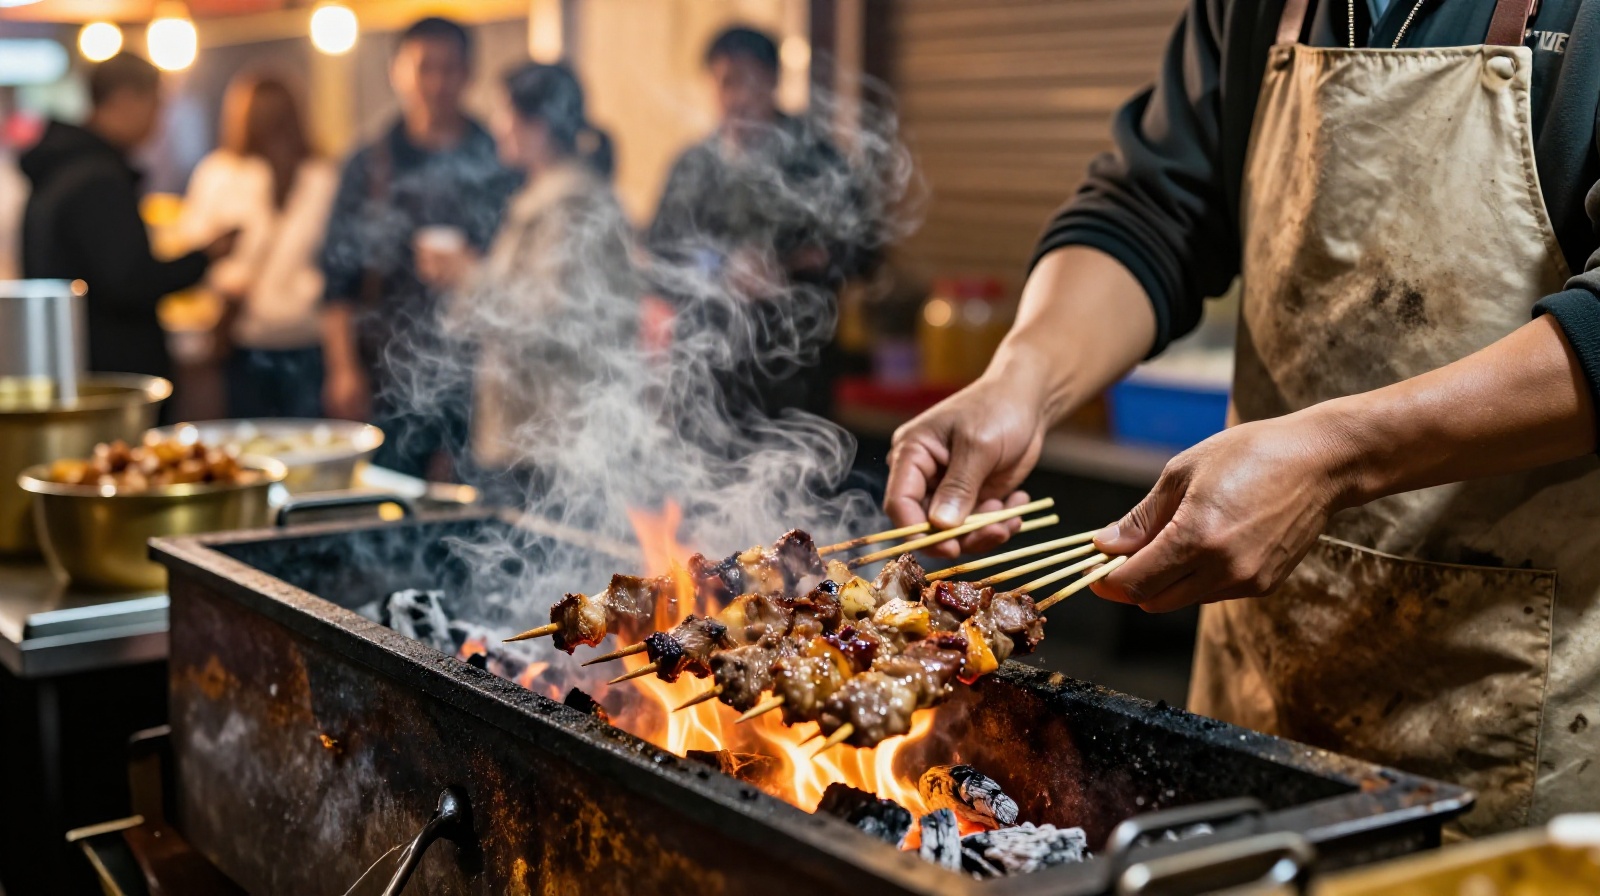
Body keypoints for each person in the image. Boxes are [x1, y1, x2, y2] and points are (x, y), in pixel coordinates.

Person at [886, 0, 1600, 837]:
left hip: (1524, 719)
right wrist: (1024, 377)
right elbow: (1152, 211)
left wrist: (1338, 457)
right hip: (1257, 699)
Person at [414, 61, 636, 479]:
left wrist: (468, 274)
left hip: (554, 438)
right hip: (529, 430)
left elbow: (548, 323)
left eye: (505, 111)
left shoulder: (573, 206)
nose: (497, 125)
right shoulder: (544, 197)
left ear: (538, 125)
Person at [319, 16, 517, 476]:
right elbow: (336, 279)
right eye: (425, 67)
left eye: (450, 68)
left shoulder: (498, 158)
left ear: (470, 73)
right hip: (387, 371)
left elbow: (521, 268)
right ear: (398, 72)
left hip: (477, 371)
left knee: (469, 511)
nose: (438, 82)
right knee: (389, 499)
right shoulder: (370, 164)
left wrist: (473, 268)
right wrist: (342, 368)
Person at [647, 26, 872, 425]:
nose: (738, 97)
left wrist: (786, 267)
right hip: (708, 370)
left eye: (750, 81)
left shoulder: (819, 162)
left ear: (774, 81)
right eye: (726, 82)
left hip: (795, 371)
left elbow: (865, 252)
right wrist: (719, 269)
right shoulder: (692, 167)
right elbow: (661, 255)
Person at [20, 52, 235, 391]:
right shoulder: (97, 179)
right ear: (125, 99)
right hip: (108, 381)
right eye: (156, 104)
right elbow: (130, 281)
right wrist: (204, 257)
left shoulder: (64, 166)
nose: (159, 119)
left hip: (75, 367)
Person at [178, 74, 336, 418]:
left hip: (306, 336)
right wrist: (227, 278)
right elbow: (196, 247)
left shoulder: (319, 177)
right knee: (250, 437)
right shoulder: (221, 173)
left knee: (303, 441)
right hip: (244, 335)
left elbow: (336, 258)